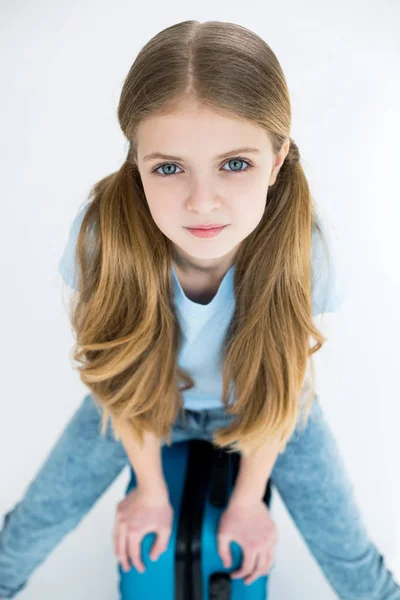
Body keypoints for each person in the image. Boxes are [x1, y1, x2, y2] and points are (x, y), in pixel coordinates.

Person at [1, 19, 399, 599]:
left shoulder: (304, 246)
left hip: (265, 404)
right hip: (141, 400)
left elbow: (283, 382)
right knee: (23, 537)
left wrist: (247, 503)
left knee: (356, 567)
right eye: (168, 167)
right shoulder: (101, 237)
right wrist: (150, 491)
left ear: (279, 155)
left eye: (235, 164)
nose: (202, 201)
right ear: (137, 162)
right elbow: (117, 371)